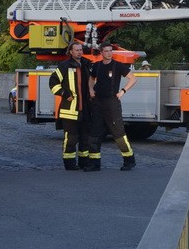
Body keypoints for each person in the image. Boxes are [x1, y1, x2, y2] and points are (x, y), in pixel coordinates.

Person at [88, 42, 138, 171]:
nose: (109, 53)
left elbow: (133, 78)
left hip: (112, 103)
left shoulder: (118, 66)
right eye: (106, 51)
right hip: (98, 103)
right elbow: (91, 79)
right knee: (95, 133)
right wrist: (91, 90)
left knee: (118, 133)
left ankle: (129, 160)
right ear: (101, 52)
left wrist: (123, 91)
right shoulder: (97, 66)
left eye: (111, 51)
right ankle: (94, 163)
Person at [48, 41, 97, 171]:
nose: (79, 52)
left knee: (85, 138)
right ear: (71, 51)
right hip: (70, 110)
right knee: (71, 138)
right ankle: (69, 164)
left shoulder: (87, 64)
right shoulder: (64, 66)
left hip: (86, 109)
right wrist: (64, 93)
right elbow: (53, 82)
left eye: (81, 50)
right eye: (76, 50)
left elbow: (94, 81)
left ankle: (84, 162)